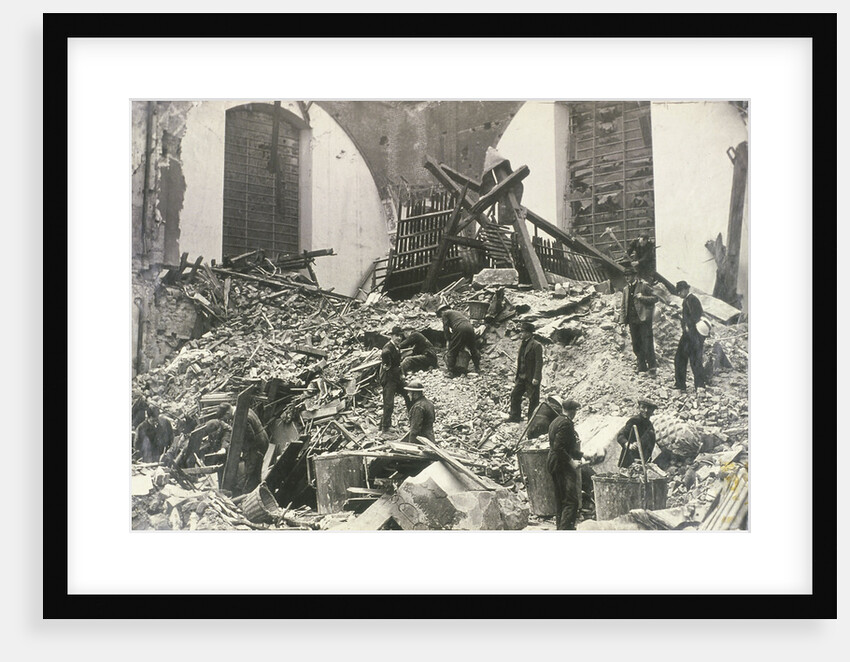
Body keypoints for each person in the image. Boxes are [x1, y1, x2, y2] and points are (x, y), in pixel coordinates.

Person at [546, 399, 584, 530]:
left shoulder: (555, 421)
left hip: (554, 463)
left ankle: (560, 528)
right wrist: (571, 462)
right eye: (575, 411)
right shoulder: (566, 424)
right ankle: (565, 529)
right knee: (571, 501)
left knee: (561, 499)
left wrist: (582, 455)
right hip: (562, 465)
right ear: (572, 411)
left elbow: (565, 447)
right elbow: (559, 448)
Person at [619, 267, 659, 377]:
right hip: (632, 321)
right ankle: (642, 368)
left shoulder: (643, 286)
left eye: (629, 275)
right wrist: (622, 322)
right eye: (625, 276)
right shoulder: (626, 289)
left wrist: (642, 297)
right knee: (636, 344)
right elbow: (623, 306)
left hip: (643, 320)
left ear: (634, 276)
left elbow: (655, 298)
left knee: (647, 344)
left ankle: (652, 368)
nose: (627, 277)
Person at [507, 321, 543, 422]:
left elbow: (539, 362)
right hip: (521, 377)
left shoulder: (536, 345)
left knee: (533, 399)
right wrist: (518, 375)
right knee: (515, 395)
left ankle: (531, 420)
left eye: (522, 332)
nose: (520, 334)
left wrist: (536, 377)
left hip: (531, 377)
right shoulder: (523, 344)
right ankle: (515, 417)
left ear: (528, 333)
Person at [673, 280, 707, 391]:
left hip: (694, 335)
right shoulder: (687, 300)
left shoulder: (692, 300)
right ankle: (681, 385)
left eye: (680, 291)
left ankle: (699, 386)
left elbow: (696, 316)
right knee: (680, 358)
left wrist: (688, 325)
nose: (679, 293)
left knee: (695, 360)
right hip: (688, 335)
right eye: (678, 291)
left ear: (686, 289)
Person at [379, 326, 410, 433]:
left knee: (408, 394)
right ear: (391, 336)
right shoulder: (387, 350)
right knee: (389, 403)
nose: (399, 338)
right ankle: (385, 428)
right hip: (389, 379)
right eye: (397, 336)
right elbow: (387, 368)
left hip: (396, 377)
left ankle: (412, 420)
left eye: (400, 336)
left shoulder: (397, 347)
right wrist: (399, 374)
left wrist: (401, 375)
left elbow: (398, 364)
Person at [436, 303, 481, 376]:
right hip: (470, 328)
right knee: (473, 348)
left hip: (460, 328)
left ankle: (450, 371)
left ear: (441, 311)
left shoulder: (445, 313)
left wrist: (449, 339)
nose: (441, 317)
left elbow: (446, 328)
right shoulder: (457, 313)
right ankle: (477, 367)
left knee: (453, 350)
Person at [616, 398, 658, 468]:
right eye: (643, 407)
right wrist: (629, 445)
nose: (646, 411)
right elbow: (621, 435)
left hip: (643, 461)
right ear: (639, 408)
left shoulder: (649, 425)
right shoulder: (634, 421)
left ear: (652, 411)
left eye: (649, 408)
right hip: (629, 460)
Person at [401, 380, 436, 444]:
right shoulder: (430, 404)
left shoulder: (418, 407)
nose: (408, 394)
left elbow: (415, 429)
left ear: (415, 393)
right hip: (430, 440)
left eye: (409, 392)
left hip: (421, 442)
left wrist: (411, 444)